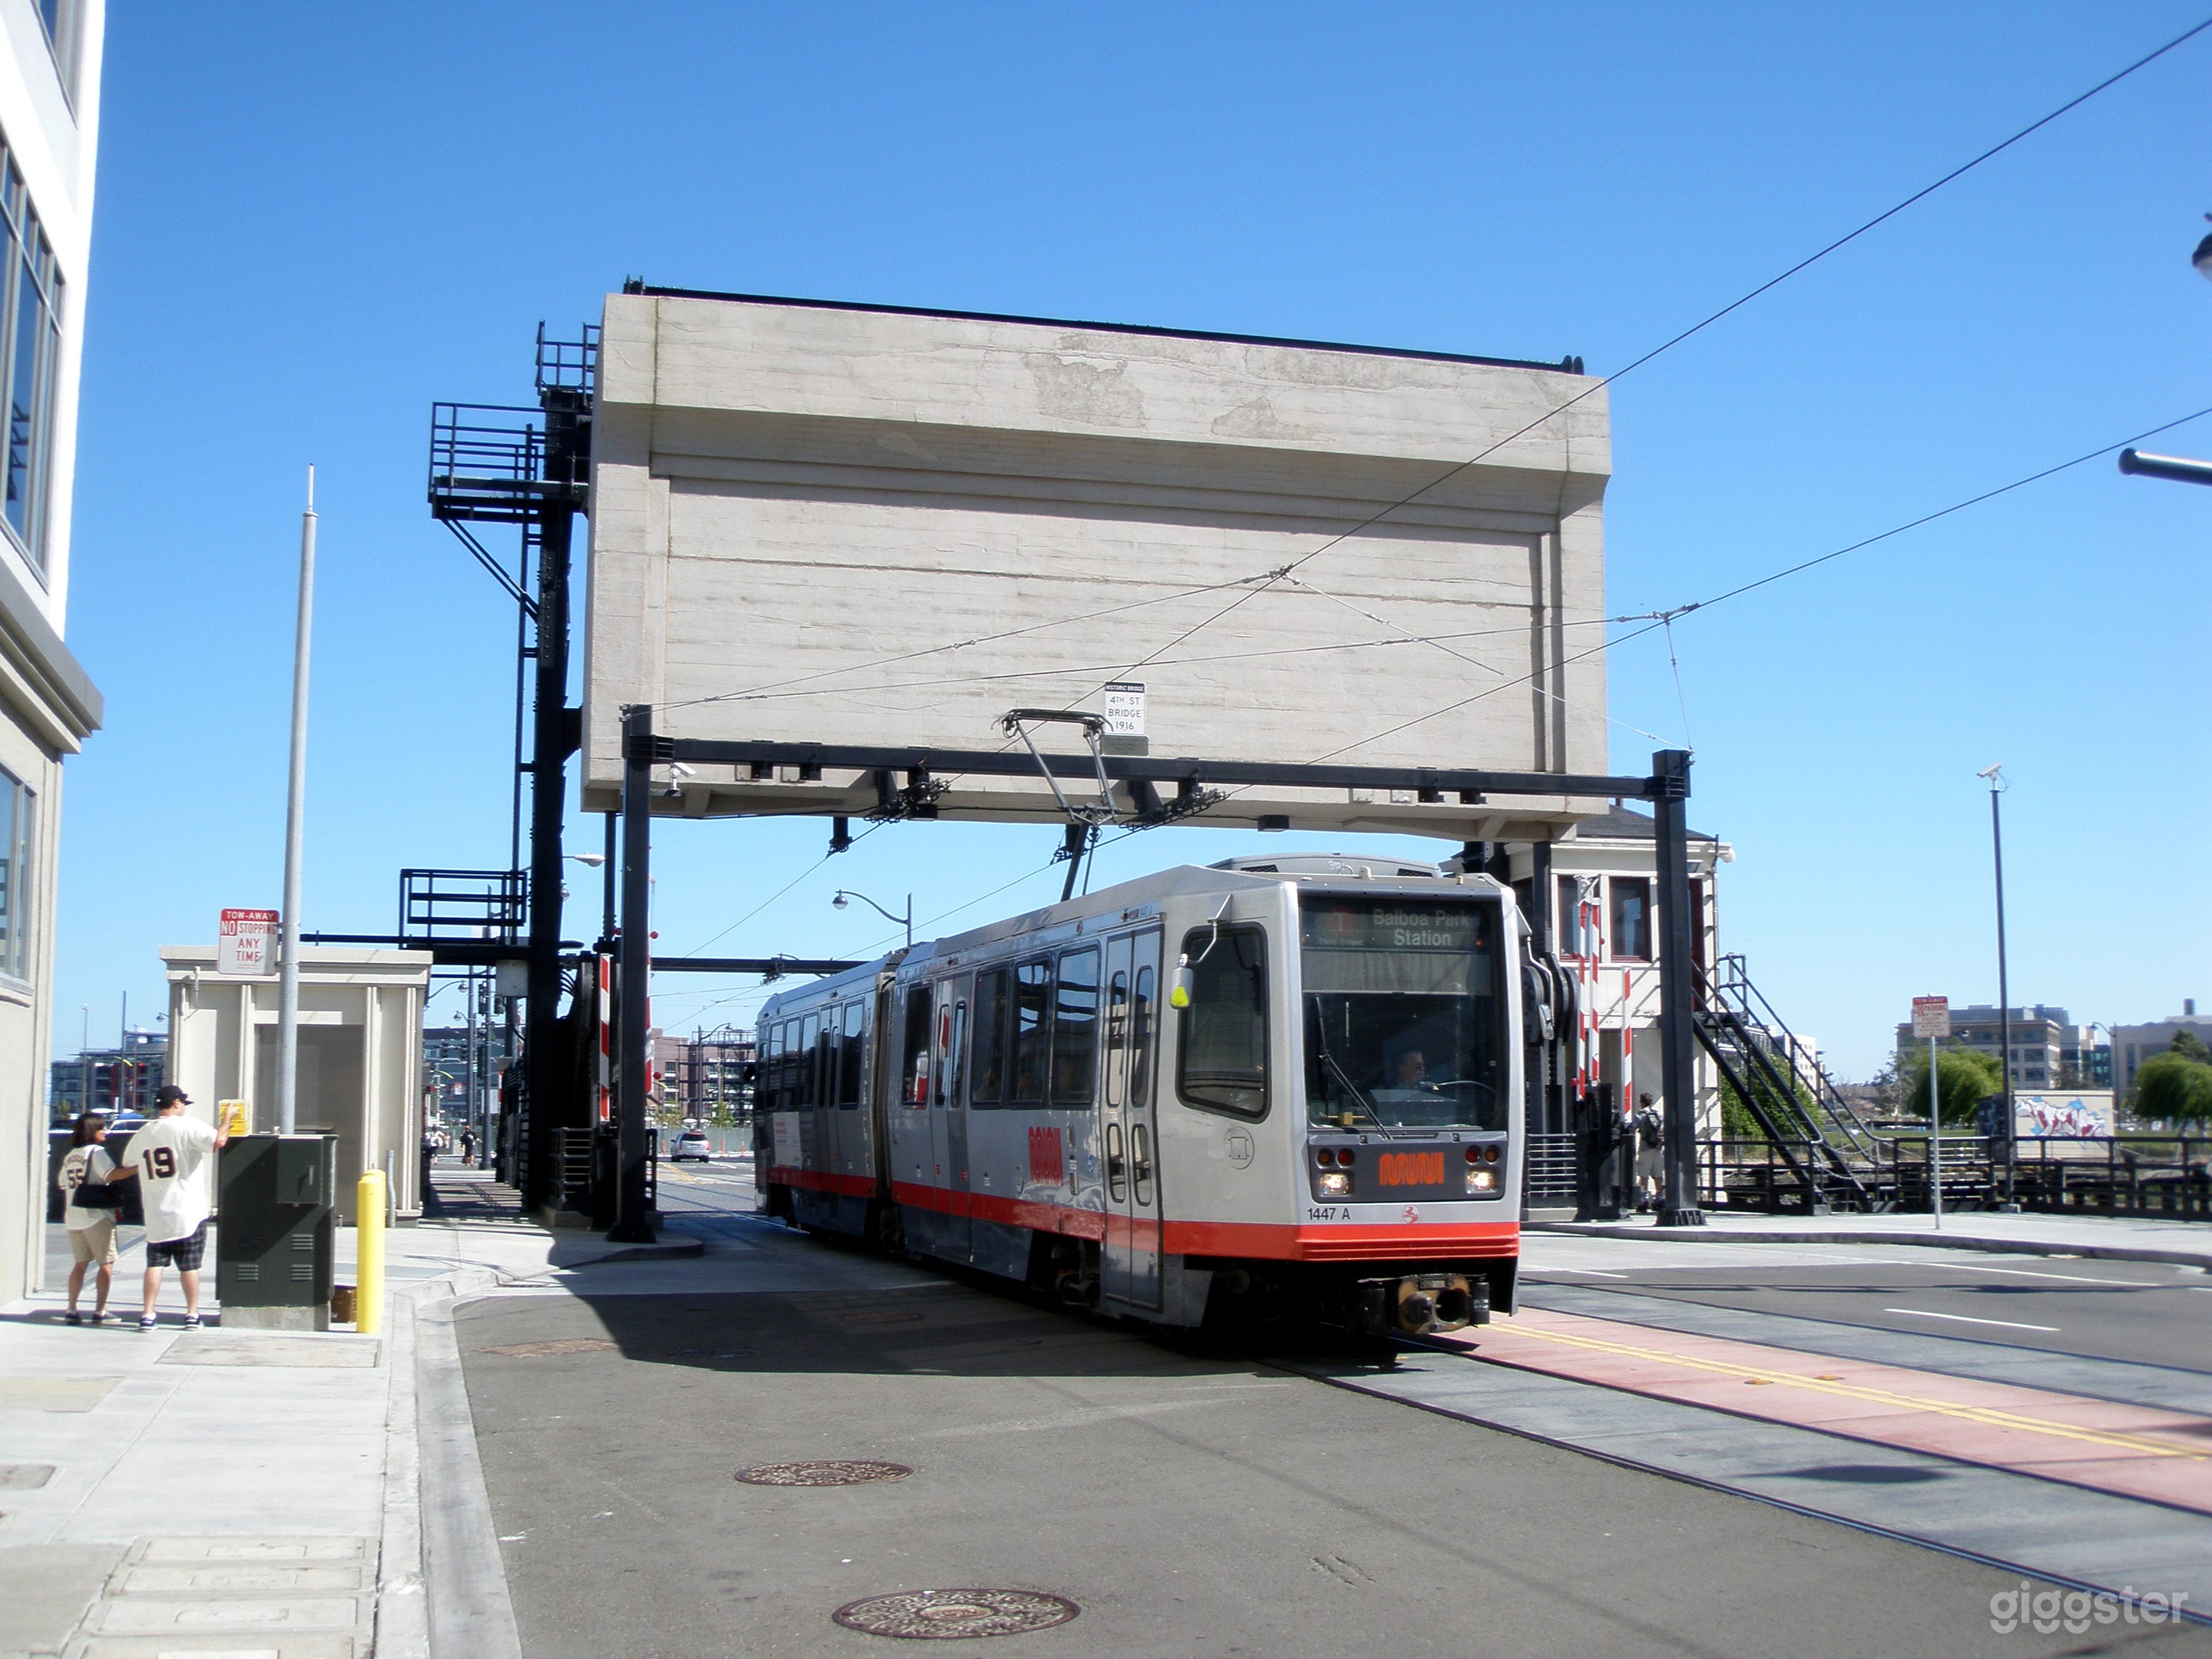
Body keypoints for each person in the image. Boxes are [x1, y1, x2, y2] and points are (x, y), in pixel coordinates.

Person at [114, 1084, 227, 1331]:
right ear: (176, 1103)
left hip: (156, 1211)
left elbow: (128, 1161)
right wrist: (227, 1119)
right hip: (188, 1210)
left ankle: (147, 1314)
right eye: (183, 1103)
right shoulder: (187, 1126)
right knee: (190, 1266)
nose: (185, 1107)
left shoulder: (145, 1131)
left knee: (155, 1264)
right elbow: (219, 1141)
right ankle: (191, 1314)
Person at [56, 1111, 121, 1324]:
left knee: (80, 1264)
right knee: (106, 1263)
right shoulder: (98, 1152)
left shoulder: (71, 1156)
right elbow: (110, 1175)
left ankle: (72, 1308)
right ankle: (100, 1310)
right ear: (92, 1131)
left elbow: (62, 1183)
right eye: (101, 1128)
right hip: (96, 1216)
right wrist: (134, 1170)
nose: (105, 1131)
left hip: (73, 1216)